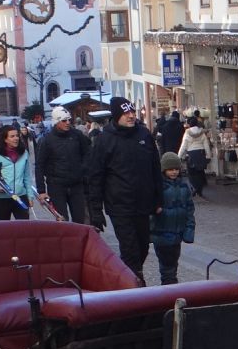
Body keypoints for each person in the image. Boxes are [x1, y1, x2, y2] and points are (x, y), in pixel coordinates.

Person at [86, 96, 161, 284]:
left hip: (143, 203)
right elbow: (95, 177)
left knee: (143, 246)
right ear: (117, 116)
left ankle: (123, 276)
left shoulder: (144, 135)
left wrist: (159, 198)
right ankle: (136, 287)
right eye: (126, 113)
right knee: (130, 250)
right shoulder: (105, 140)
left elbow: (155, 167)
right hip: (119, 204)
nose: (131, 116)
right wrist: (95, 210)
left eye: (132, 112)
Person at [34, 108, 91, 223]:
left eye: (69, 120)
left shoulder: (77, 135)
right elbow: (39, 165)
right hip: (56, 186)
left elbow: (88, 154)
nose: (68, 123)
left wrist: (84, 171)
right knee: (62, 220)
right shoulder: (47, 140)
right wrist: (41, 190)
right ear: (56, 122)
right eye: (64, 120)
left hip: (76, 184)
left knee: (80, 220)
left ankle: (79, 241)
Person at [150, 153, 196, 284]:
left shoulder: (183, 186)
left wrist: (189, 231)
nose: (174, 172)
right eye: (170, 169)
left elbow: (189, 209)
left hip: (177, 234)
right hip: (162, 233)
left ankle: (170, 289)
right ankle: (170, 290)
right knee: (167, 268)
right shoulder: (159, 186)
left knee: (173, 265)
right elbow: (150, 207)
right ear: (164, 170)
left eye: (176, 169)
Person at [0, 124, 37, 220]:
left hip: (20, 197)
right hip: (2, 199)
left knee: (23, 229)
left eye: (17, 135)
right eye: (12, 136)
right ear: (5, 139)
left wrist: (30, 196)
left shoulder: (24, 153)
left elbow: (27, 177)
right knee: (4, 232)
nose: (16, 138)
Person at [177, 112, 211, 199]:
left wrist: (179, 156)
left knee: (191, 173)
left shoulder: (187, 133)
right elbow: (206, 145)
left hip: (191, 155)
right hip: (201, 153)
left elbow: (183, 146)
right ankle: (199, 189)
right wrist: (208, 155)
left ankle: (195, 188)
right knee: (200, 173)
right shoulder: (202, 133)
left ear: (189, 124)